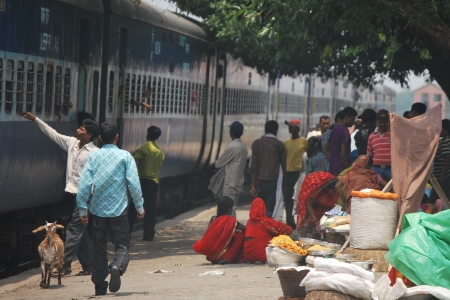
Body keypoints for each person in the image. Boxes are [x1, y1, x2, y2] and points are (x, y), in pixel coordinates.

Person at [20, 111, 99, 277]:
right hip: (71, 193)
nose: (78, 130)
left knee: (73, 229)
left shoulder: (95, 153)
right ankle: (90, 265)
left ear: (89, 135)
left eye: (82, 129)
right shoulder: (71, 143)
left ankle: (64, 264)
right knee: (80, 231)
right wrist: (36, 120)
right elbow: (53, 134)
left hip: (85, 196)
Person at [77, 123, 145, 295]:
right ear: (117, 137)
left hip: (97, 211)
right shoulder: (125, 157)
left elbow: (84, 185)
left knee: (99, 247)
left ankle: (100, 286)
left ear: (99, 138)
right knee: (122, 245)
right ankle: (116, 266)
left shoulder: (94, 157)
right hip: (119, 210)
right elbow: (134, 184)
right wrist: (139, 207)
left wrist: (83, 210)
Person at [129, 125, 165, 241]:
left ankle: (127, 232)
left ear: (147, 135)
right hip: (154, 182)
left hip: (142, 181)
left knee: (135, 207)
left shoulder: (145, 148)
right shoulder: (159, 151)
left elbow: (133, 159)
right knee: (151, 209)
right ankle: (148, 235)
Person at [193, 196, 246, 264]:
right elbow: (245, 228)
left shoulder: (213, 219)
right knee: (242, 234)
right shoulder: (230, 220)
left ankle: (220, 259)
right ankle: (228, 258)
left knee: (235, 234)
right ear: (229, 209)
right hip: (226, 256)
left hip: (211, 257)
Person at [251, 120, 286, 217]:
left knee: (260, 204)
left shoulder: (256, 143)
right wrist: (283, 185)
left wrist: (253, 185)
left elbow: (254, 166)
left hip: (259, 181)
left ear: (265, 130)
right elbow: (283, 166)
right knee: (270, 206)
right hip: (273, 181)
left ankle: (260, 225)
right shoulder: (279, 144)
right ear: (276, 131)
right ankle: (268, 224)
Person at [214, 121, 248, 216]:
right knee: (233, 207)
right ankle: (232, 227)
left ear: (231, 132)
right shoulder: (243, 146)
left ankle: (231, 227)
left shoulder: (232, 147)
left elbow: (218, 164)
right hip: (238, 183)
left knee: (228, 209)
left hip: (230, 184)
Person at [243, 198, 292, 263]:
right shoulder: (265, 221)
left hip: (248, 256)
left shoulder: (249, 221)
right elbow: (288, 230)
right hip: (261, 255)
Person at [296, 172, 339, 239]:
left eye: (336, 192)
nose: (335, 194)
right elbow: (308, 204)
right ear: (327, 189)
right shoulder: (317, 190)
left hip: (324, 212)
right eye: (333, 191)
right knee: (309, 236)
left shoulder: (335, 190)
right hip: (312, 210)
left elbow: (334, 206)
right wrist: (315, 221)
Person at [283, 119, 308, 229]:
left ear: (297, 128)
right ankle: (290, 221)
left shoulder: (303, 141)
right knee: (288, 198)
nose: (289, 128)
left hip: (299, 173)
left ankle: (300, 220)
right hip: (288, 173)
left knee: (299, 198)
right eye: (289, 126)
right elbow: (284, 158)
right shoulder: (286, 142)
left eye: (291, 126)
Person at [324, 106, 357, 176]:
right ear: (347, 117)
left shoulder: (334, 130)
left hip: (332, 169)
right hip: (342, 170)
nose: (353, 122)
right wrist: (349, 168)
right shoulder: (345, 131)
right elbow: (343, 152)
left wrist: (333, 159)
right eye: (352, 119)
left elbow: (325, 149)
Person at [367, 109, 392, 180]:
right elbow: (369, 155)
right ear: (377, 122)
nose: (382, 124)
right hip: (376, 169)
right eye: (380, 122)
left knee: (393, 190)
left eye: (385, 122)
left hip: (391, 170)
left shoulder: (394, 135)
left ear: (389, 122)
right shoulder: (372, 136)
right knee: (375, 189)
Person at [430, 119, 450, 203]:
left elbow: (448, 156)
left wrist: (442, 174)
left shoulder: (444, 141)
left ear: (445, 130)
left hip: (444, 176)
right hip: (444, 176)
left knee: (433, 198)